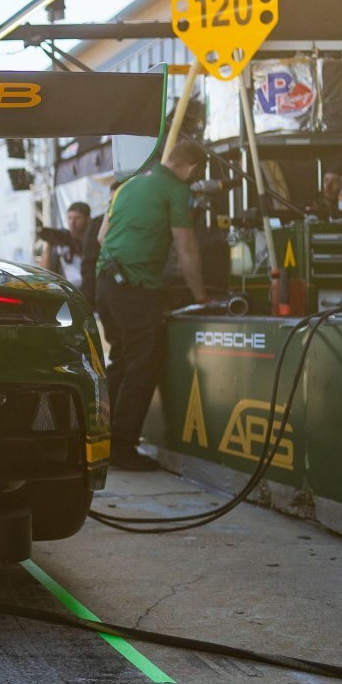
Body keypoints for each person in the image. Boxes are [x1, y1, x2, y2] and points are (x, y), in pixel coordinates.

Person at [95, 138, 207, 472]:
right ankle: (122, 445)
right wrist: (201, 296)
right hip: (134, 285)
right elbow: (186, 247)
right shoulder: (176, 190)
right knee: (143, 362)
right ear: (193, 168)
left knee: (121, 359)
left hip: (106, 282)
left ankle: (98, 439)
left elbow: (101, 237)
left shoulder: (128, 185)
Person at [40, 201, 94, 297]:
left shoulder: (93, 241)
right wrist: (49, 245)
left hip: (89, 292)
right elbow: (44, 272)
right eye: (69, 218)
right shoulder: (61, 241)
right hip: (68, 294)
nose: (72, 223)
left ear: (88, 219)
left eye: (78, 218)